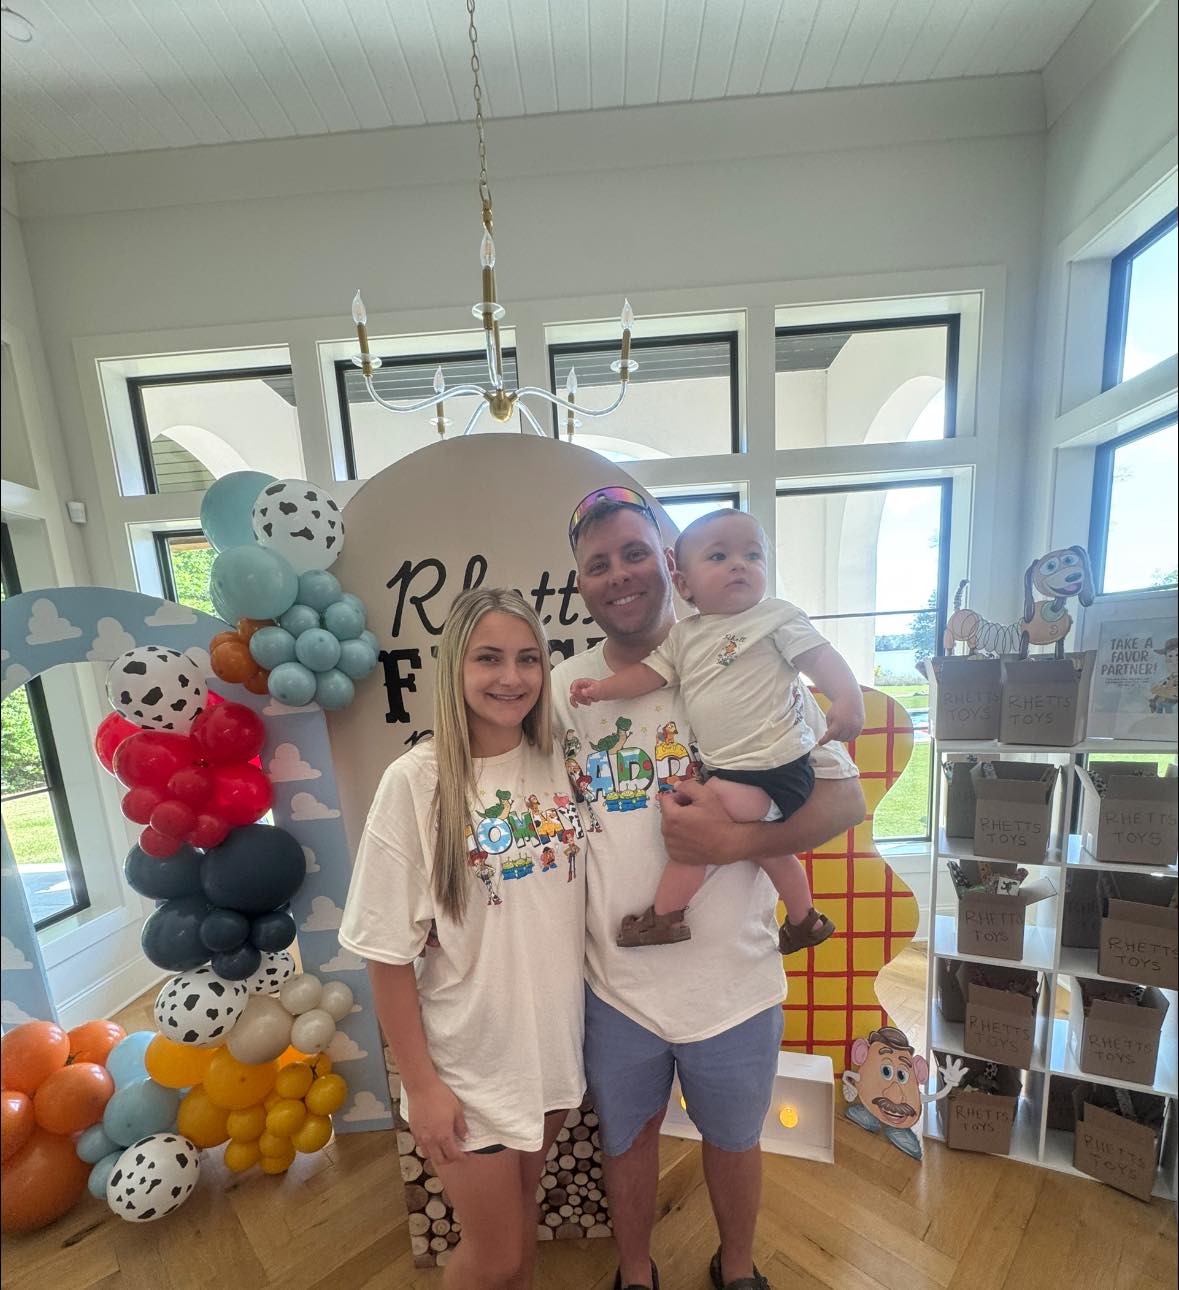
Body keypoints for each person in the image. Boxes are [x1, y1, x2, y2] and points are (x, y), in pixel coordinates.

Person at [552, 487, 866, 1290]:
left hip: (734, 981)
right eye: (597, 564)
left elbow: (843, 798)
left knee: (734, 1138)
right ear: (580, 584)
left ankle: (735, 1267)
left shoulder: (750, 657)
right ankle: (633, 1272)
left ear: (668, 566)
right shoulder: (560, 692)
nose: (618, 575)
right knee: (626, 1140)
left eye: (633, 554)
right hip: (614, 985)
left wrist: (736, 842)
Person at [338, 588, 587, 1290]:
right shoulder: (414, 782)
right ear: (454, 668)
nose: (510, 677)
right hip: (468, 1069)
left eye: (527, 659)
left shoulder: (555, 761)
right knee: (495, 1256)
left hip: (549, 1058)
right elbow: (384, 953)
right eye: (488, 658)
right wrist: (422, 1086)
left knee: (517, 1233)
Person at [568, 507, 864, 953]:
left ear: (668, 570)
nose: (739, 565)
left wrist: (848, 699)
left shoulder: (774, 622)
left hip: (773, 767)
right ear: (686, 582)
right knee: (767, 852)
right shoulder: (685, 640)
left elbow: (820, 660)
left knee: (692, 831)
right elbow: (649, 675)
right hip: (739, 772)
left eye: (752, 555)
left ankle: (665, 916)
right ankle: (805, 919)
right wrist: (603, 690)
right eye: (720, 556)